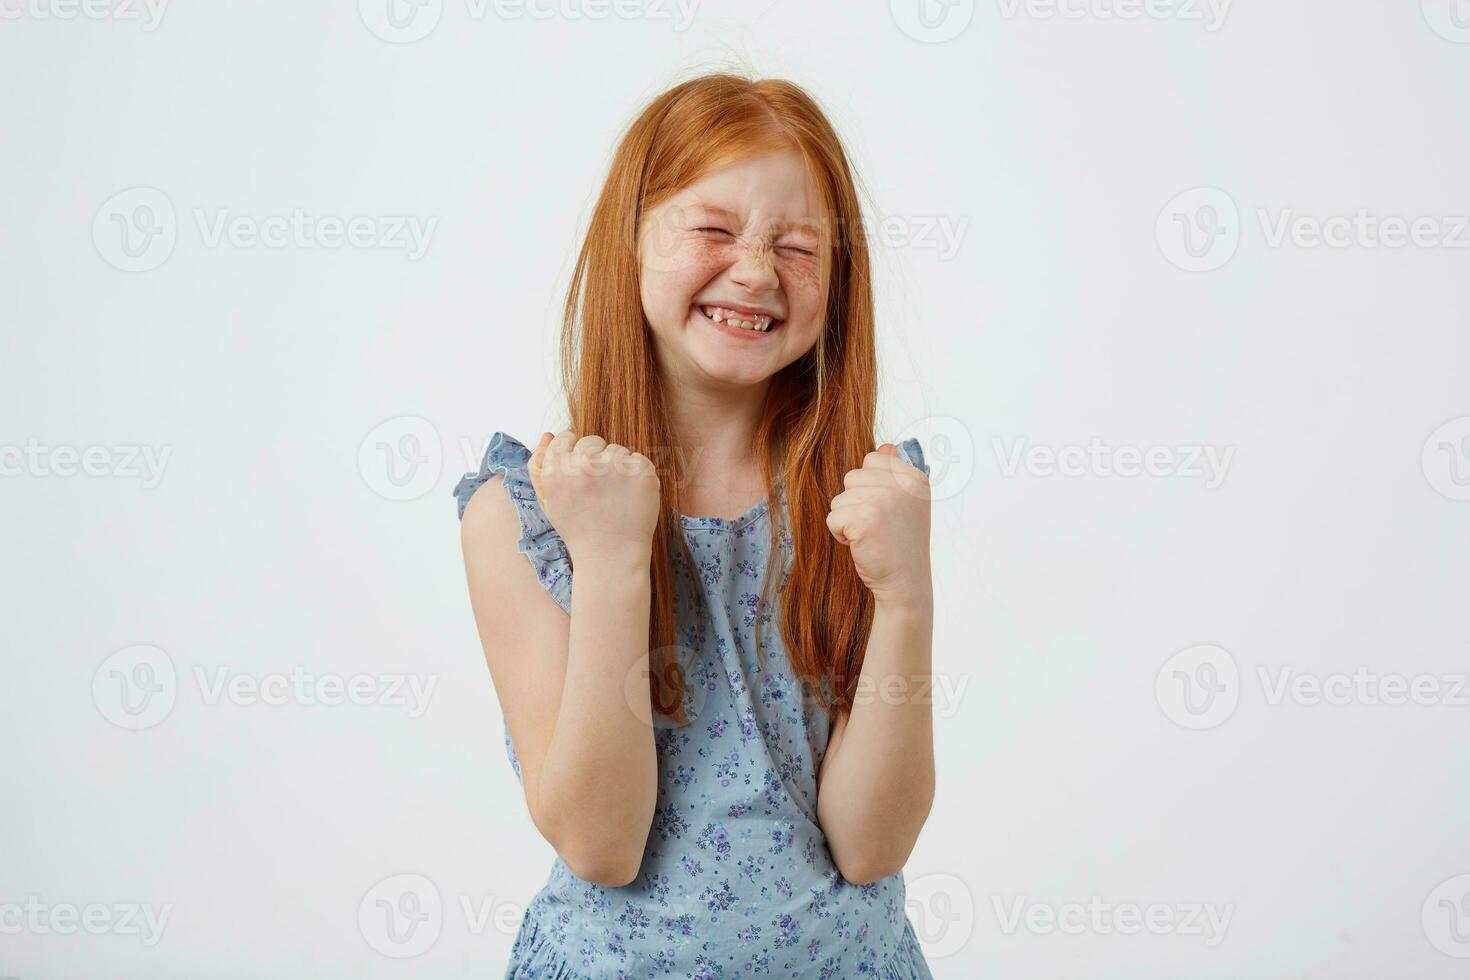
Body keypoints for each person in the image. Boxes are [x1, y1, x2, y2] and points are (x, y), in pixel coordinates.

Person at [454, 70, 937, 979]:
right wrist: (609, 564)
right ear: (628, 243)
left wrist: (907, 601)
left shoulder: (866, 504)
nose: (755, 269)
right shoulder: (520, 516)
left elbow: (872, 847)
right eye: (713, 229)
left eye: (797, 246)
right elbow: (603, 846)